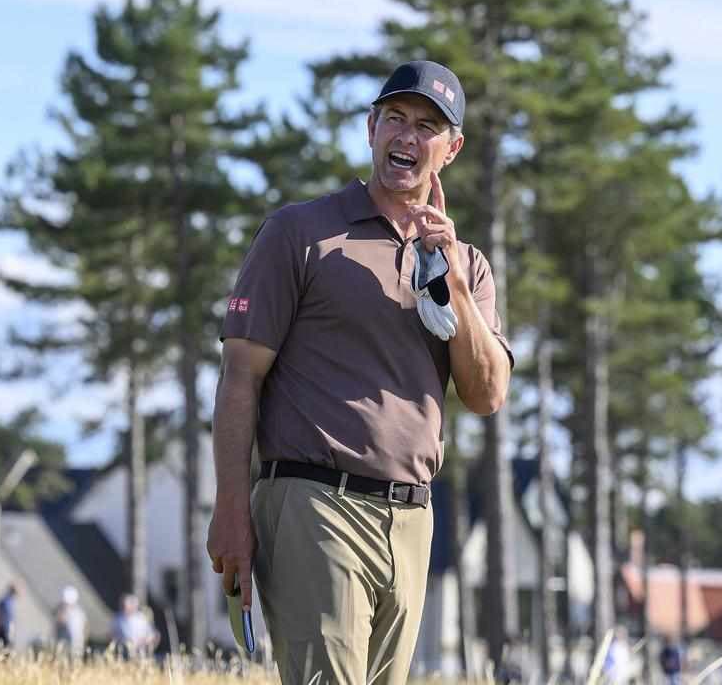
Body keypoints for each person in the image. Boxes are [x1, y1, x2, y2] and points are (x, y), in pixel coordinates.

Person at [207, 59, 512, 685]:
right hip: (314, 504)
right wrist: (231, 508)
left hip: (412, 520)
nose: (407, 136)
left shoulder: (469, 265)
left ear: (451, 150)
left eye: (426, 127)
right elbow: (240, 377)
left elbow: (486, 395)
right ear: (371, 128)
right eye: (395, 118)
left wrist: (453, 280)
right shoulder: (300, 232)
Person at [111, 594, 156, 659]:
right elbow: (112, 635)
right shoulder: (117, 619)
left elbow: (151, 634)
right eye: (125, 606)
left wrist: (144, 640)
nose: (127, 608)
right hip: (123, 650)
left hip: (141, 650)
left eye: (131, 605)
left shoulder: (142, 618)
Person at [53, 585, 86, 659]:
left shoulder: (78, 613)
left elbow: (83, 630)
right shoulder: (77, 612)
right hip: (66, 644)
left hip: (74, 644)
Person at [0, 583, 18, 650]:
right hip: (2, 628)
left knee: (6, 648)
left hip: (7, 629)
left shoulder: (12, 602)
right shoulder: (4, 601)